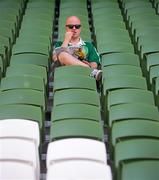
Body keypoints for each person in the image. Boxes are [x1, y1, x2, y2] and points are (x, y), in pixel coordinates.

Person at [52, 15, 102, 81]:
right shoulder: (59, 44)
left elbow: (94, 63)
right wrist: (66, 40)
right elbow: (56, 60)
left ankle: (89, 71)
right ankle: (91, 71)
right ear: (66, 28)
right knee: (62, 54)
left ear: (80, 28)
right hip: (65, 76)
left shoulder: (89, 45)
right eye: (71, 26)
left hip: (83, 77)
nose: (74, 28)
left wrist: (90, 65)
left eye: (77, 26)